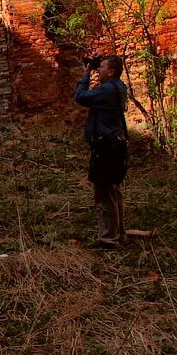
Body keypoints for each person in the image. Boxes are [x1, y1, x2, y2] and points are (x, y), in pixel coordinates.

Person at [74, 54, 128, 248]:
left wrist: (86, 74)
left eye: (102, 67)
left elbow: (80, 96)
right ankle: (118, 234)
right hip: (114, 144)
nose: (99, 70)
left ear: (111, 71)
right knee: (113, 191)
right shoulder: (118, 87)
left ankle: (108, 239)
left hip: (106, 147)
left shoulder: (107, 90)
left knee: (104, 193)